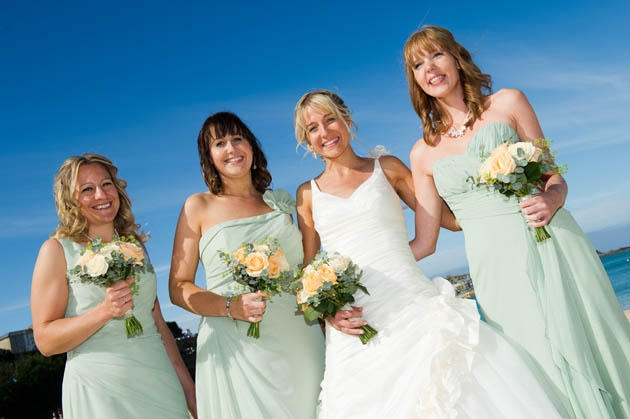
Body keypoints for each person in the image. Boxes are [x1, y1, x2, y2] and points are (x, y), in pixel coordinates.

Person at [294, 89, 568, 418]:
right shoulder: (307, 195)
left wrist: (504, 195)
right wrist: (328, 313)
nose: (324, 132)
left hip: (412, 303)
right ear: (306, 141)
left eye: (329, 119)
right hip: (355, 321)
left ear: (347, 121)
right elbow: (307, 274)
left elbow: (447, 220)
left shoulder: (389, 168)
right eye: (312, 128)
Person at [404, 25, 630, 419]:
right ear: (415, 81)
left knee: (591, 339)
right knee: (532, 362)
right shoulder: (422, 153)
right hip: (495, 269)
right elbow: (427, 240)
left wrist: (552, 199)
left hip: (551, 239)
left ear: (456, 57)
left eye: (436, 55)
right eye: (418, 64)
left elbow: (553, 175)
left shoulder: (508, 102)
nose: (430, 68)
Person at [169, 111, 324, 419]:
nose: (231, 149)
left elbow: (305, 270)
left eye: (238, 139)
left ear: (252, 146)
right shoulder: (198, 206)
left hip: (298, 336)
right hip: (235, 343)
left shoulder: (280, 203)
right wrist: (230, 307)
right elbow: (178, 287)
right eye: (220, 143)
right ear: (208, 157)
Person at [31, 153, 195, 419]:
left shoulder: (135, 247)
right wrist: (104, 311)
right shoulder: (56, 251)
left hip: (160, 383)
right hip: (101, 392)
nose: (101, 194)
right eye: (87, 189)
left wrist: (189, 393)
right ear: (70, 199)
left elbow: (158, 326)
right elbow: (45, 340)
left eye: (106, 184)